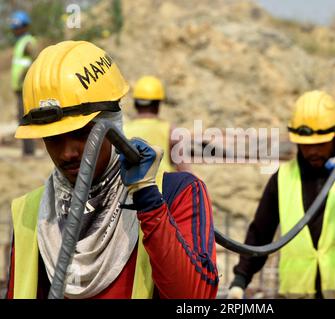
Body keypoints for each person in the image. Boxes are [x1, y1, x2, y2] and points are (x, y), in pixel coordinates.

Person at [6, 41, 218, 299]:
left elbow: (194, 298)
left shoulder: (177, 194)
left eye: (80, 134)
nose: (66, 153)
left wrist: (148, 198)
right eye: (53, 138)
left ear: (112, 124)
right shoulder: (32, 211)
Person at [228, 90, 335, 299]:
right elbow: (260, 234)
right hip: (298, 293)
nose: (312, 152)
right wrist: (240, 279)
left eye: (320, 144)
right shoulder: (282, 177)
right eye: (305, 145)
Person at [124, 76, 191, 188]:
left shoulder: (123, 130)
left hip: (131, 194)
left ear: (135, 104)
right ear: (158, 104)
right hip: (164, 194)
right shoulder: (170, 130)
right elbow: (185, 171)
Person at [10, 10, 37, 156]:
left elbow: (33, 62)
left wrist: (25, 79)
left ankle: (29, 152)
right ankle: (27, 151)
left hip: (25, 88)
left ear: (25, 27)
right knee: (21, 119)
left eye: (18, 27)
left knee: (25, 119)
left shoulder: (28, 43)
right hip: (19, 88)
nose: (15, 30)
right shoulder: (20, 43)